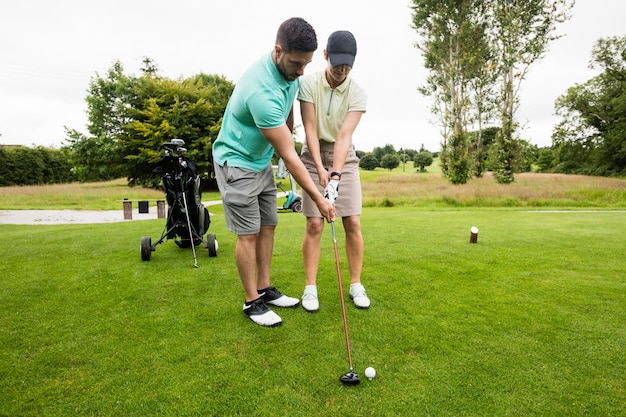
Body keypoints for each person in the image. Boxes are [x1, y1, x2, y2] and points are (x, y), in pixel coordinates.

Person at [212, 17, 336, 327]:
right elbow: (291, 157)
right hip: (237, 161)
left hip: (260, 162)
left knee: (268, 224)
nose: (302, 71)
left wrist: (290, 132)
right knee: (248, 234)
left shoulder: (290, 73)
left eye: (307, 64)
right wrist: (320, 201)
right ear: (278, 50)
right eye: (297, 63)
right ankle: (251, 301)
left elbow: (289, 105)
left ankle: (264, 289)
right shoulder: (260, 92)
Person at [297, 30, 370, 312]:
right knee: (315, 223)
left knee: (351, 222)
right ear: (325, 55)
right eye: (337, 64)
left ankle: (355, 284)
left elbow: (343, 136)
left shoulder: (358, 93)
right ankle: (310, 288)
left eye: (347, 66)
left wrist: (336, 175)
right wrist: (319, 168)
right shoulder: (308, 84)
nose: (341, 71)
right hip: (313, 153)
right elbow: (310, 129)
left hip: (345, 158)